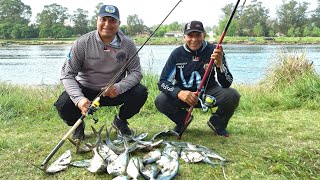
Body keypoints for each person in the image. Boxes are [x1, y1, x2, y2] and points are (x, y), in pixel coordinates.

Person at [54, 4, 148, 140]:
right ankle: (78, 124)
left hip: (113, 92)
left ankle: (120, 121)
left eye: (112, 20)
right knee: (63, 104)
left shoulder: (128, 44)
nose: (107, 24)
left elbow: (136, 72)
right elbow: (67, 74)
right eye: (103, 19)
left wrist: (118, 87)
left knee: (140, 93)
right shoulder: (82, 43)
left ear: (119, 23)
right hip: (86, 90)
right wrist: (79, 99)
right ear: (97, 20)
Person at [154, 20, 240, 137]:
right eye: (190, 35)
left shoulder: (215, 50)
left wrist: (220, 65)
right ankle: (183, 120)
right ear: (184, 37)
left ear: (204, 35)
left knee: (232, 95)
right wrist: (179, 93)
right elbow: (162, 82)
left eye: (198, 35)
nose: (194, 39)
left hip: (209, 92)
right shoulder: (176, 54)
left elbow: (226, 83)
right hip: (185, 95)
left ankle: (217, 123)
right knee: (160, 100)